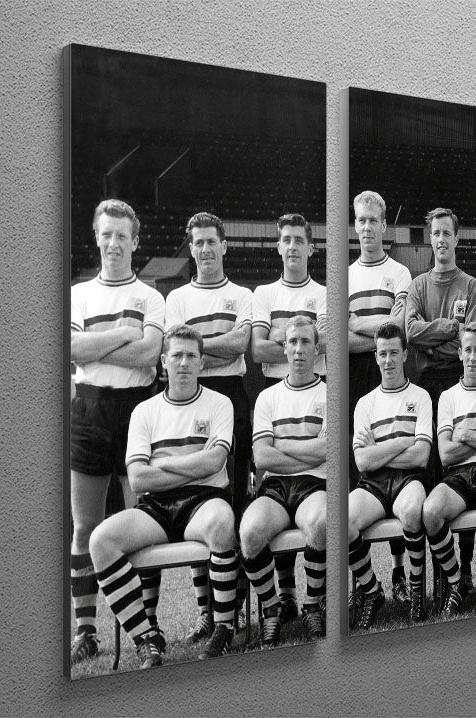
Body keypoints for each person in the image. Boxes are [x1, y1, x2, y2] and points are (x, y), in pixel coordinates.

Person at [88, 324, 238, 668]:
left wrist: (163, 463)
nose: (184, 363)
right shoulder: (145, 411)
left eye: (191, 356)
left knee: (221, 522)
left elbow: (215, 462)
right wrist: (194, 462)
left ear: (202, 363)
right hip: (155, 505)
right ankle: (147, 638)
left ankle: (223, 627)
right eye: (177, 355)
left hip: (203, 500)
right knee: (101, 540)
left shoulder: (220, 403)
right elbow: (138, 478)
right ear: (163, 362)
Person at [69, 199, 165, 664]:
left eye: (121, 235)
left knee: (137, 521)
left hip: (136, 410)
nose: (113, 243)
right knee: (85, 525)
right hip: (88, 409)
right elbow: (70, 349)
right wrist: (124, 333)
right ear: (96, 236)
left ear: (135, 240)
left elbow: (149, 355)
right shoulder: (78, 294)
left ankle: (147, 625)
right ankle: (85, 631)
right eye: (106, 234)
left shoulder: (151, 297)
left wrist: (97, 348)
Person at [165, 212, 252, 642]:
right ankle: (206, 611)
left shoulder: (242, 294)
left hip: (232, 395)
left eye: (211, 242)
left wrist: (195, 350)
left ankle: (231, 608)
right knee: (196, 500)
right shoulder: (178, 298)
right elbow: (174, 351)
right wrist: (211, 349)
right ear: (191, 247)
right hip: (188, 402)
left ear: (224, 245)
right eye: (197, 242)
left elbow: (241, 344)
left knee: (233, 502)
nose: (204, 249)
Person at [250, 213, 326, 621]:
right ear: (278, 246)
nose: (293, 246)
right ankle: (286, 597)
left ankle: (312, 601)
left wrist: (278, 335)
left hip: (316, 391)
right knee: (271, 502)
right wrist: (294, 336)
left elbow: (327, 344)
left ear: (311, 247)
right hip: (275, 394)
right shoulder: (264, 293)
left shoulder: (325, 294)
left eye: (299, 239)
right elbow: (258, 350)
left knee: (313, 504)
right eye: (286, 240)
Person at [406, 208, 476, 593]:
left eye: (446, 233)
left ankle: (465, 568)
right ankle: (441, 575)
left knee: (463, 467)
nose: (440, 239)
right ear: (430, 237)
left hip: (461, 383)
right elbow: (410, 332)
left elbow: (470, 341)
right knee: (433, 474)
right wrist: (448, 329)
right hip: (427, 387)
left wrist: (434, 342)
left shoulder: (470, 286)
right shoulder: (418, 285)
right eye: (435, 233)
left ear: (456, 238)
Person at [240, 316, 327, 648]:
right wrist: (310, 451)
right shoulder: (268, 397)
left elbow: (328, 451)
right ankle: (272, 608)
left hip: (315, 483)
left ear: (316, 349)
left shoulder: (330, 393)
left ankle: (312, 605)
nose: (299, 349)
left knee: (321, 523)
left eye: (305, 342)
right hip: (276, 487)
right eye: (292, 342)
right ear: (284, 349)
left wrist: (282, 445)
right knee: (249, 532)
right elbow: (262, 457)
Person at [348, 191, 413, 605]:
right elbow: (340, 339)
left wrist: (359, 324)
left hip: (395, 380)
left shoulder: (401, 273)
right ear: (354, 225)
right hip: (355, 379)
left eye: (374, 220)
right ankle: (363, 582)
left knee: (399, 466)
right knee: (364, 471)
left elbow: (398, 331)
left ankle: (400, 571)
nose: (368, 227)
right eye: (361, 220)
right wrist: (379, 330)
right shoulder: (344, 276)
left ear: (385, 225)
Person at [422, 323, 476, 617]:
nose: (472, 357)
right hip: (457, 475)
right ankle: (456, 581)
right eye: (467, 350)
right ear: (459, 354)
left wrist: (465, 434)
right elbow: (445, 454)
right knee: (430, 512)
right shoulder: (448, 397)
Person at [348, 323, 432, 628]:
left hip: (409, 479)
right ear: (375, 356)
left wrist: (379, 449)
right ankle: (372, 590)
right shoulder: (365, 403)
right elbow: (362, 461)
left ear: (405, 354)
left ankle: (416, 589)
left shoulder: (421, 397)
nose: (388, 360)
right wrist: (401, 441)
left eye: (394, 352)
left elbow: (421, 456)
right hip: (373, 484)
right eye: (382, 353)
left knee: (411, 510)